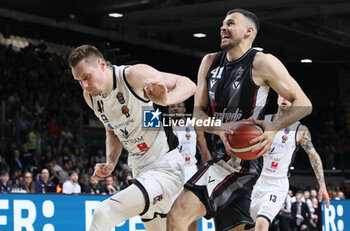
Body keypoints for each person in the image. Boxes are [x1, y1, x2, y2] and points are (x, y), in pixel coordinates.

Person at [167, 8, 312, 231]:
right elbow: (198, 116)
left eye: (231, 23)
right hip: (220, 155)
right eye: (223, 24)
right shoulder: (209, 62)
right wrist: (219, 128)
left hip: (242, 162)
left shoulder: (263, 62)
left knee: (177, 215)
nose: (223, 27)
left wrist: (273, 127)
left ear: (248, 31)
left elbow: (304, 104)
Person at [68, 44, 196, 231]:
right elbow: (112, 130)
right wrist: (110, 162)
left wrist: (166, 100)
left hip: (165, 167)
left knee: (103, 214)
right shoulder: (91, 97)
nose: (84, 85)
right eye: (79, 80)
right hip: (140, 170)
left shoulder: (133, 76)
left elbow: (188, 84)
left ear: (102, 64)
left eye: (87, 77)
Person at [249, 96, 330, 231]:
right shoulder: (262, 120)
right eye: (282, 95)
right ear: (277, 99)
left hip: (276, 184)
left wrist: (322, 186)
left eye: (290, 97)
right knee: (249, 227)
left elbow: (314, 157)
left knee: (262, 222)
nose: (285, 98)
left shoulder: (300, 129)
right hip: (254, 181)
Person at [168, 102, 199, 231]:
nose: (175, 108)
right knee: (171, 212)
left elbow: (203, 148)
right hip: (172, 171)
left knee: (192, 212)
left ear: (184, 109)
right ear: (168, 110)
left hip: (191, 169)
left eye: (179, 106)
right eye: (172, 107)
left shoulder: (194, 125)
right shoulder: (164, 127)